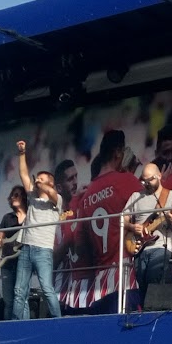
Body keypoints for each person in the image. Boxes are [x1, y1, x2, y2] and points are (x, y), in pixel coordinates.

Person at [61, 129, 142, 313]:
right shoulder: (127, 181)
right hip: (124, 276)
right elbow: (151, 210)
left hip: (99, 284)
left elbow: (80, 246)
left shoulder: (87, 195)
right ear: (117, 153)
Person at [13, 140, 64, 319]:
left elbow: (50, 192)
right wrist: (22, 153)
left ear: (50, 183)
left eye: (42, 179)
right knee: (20, 290)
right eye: (38, 179)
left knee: (47, 288)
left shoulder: (56, 201)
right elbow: (24, 174)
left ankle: (58, 321)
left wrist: (40, 183)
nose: (37, 182)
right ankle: (19, 324)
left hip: (43, 250)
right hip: (26, 248)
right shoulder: (33, 196)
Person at [122, 162, 172, 309]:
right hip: (139, 247)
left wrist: (171, 218)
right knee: (142, 283)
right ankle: (145, 314)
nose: (146, 183)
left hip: (161, 245)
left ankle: (153, 314)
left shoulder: (171, 195)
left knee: (153, 279)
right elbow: (122, 219)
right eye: (144, 180)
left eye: (150, 180)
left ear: (160, 176)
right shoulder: (136, 196)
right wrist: (132, 227)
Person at [0, 185, 25, 319]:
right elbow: (1, 234)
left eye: (17, 195)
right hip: (7, 262)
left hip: (24, 261)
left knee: (21, 296)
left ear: (24, 197)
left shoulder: (32, 216)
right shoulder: (8, 217)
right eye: (12, 195)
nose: (13, 197)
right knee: (8, 300)